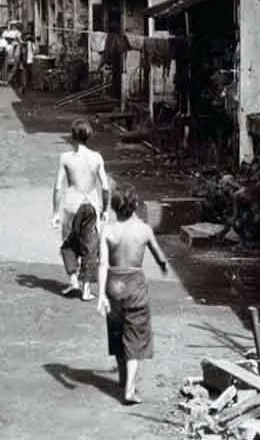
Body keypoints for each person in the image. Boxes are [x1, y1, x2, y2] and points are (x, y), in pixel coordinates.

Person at [97, 185, 169, 405]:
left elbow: (102, 264)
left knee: (118, 330)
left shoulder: (108, 231)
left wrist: (100, 294)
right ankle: (129, 389)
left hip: (114, 283)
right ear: (134, 206)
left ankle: (122, 378)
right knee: (135, 337)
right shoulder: (144, 230)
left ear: (114, 208)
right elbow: (159, 255)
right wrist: (163, 266)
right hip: (135, 284)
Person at [52, 118, 111, 302]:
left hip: (72, 205)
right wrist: (106, 210)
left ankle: (73, 281)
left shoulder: (66, 158)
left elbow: (57, 187)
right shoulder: (97, 157)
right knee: (90, 247)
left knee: (68, 245)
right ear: (89, 136)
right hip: (92, 206)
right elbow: (105, 187)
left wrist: (55, 212)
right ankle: (86, 289)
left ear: (73, 136)